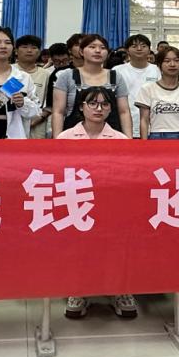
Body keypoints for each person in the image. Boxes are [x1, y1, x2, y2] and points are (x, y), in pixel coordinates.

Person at [55, 86, 137, 319]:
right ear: (81, 107)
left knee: (116, 247)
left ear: (111, 109)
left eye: (104, 104)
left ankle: (120, 290)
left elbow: (128, 174)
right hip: (76, 203)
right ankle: (79, 291)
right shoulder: (66, 137)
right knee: (78, 248)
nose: (98, 108)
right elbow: (57, 172)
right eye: (92, 103)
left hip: (111, 204)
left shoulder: (120, 139)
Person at [51, 34, 131, 136]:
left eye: (102, 48)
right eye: (92, 47)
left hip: (110, 137)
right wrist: (58, 139)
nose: (98, 51)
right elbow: (58, 112)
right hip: (74, 137)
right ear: (81, 51)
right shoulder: (66, 76)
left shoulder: (116, 77)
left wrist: (129, 139)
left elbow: (124, 112)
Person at [137, 46, 179, 140]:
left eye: (176, 60)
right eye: (167, 61)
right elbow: (144, 121)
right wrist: (144, 144)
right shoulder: (147, 89)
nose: (172, 64)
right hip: (156, 136)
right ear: (159, 65)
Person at [113, 34, 160, 139]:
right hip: (124, 124)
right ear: (127, 50)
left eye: (143, 46)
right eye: (134, 46)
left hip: (152, 127)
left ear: (149, 50)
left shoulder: (157, 70)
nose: (139, 49)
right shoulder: (117, 70)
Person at [14, 35, 51, 139]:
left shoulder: (46, 74)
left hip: (38, 123)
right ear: (16, 51)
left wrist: (39, 117)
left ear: (39, 52)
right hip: (13, 122)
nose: (29, 50)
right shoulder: (9, 71)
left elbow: (50, 103)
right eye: (24, 47)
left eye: (34, 48)